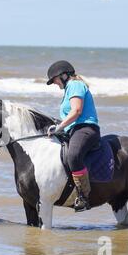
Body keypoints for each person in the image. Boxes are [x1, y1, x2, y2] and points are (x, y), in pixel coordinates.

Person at [46, 60, 100, 212]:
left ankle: (83, 196)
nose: (55, 83)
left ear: (63, 75)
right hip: (73, 130)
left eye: (55, 80)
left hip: (85, 128)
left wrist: (60, 126)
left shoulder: (75, 85)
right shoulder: (68, 89)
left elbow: (76, 111)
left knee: (74, 155)